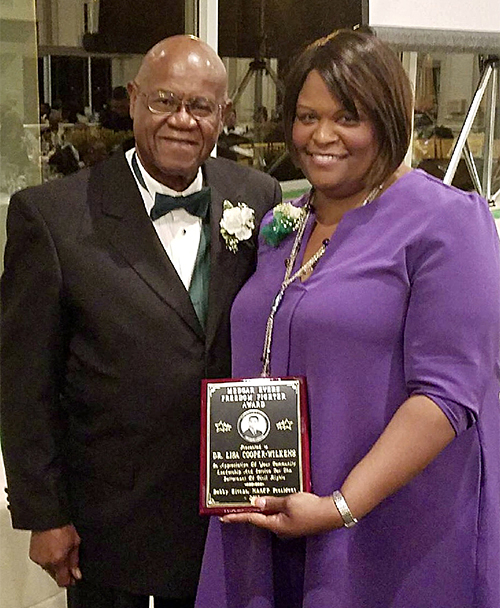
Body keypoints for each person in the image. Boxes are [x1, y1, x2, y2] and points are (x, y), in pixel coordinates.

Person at [195, 29, 500, 608]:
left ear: (388, 119)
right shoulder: (289, 223)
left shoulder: (445, 223)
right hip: (271, 515)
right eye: (307, 116)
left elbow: (448, 396)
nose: (322, 136)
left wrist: (341, 505)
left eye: (347, 117)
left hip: (383, 528)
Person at [0, 34, 281, 608]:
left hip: (232, 505)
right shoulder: (52, 217)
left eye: (200, 106)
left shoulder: (257, 195)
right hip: (111, 521)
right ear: (132, 100)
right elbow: (24, 383)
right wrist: (43, 513)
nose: (182, 120)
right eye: (163, 101)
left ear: (223, 116)